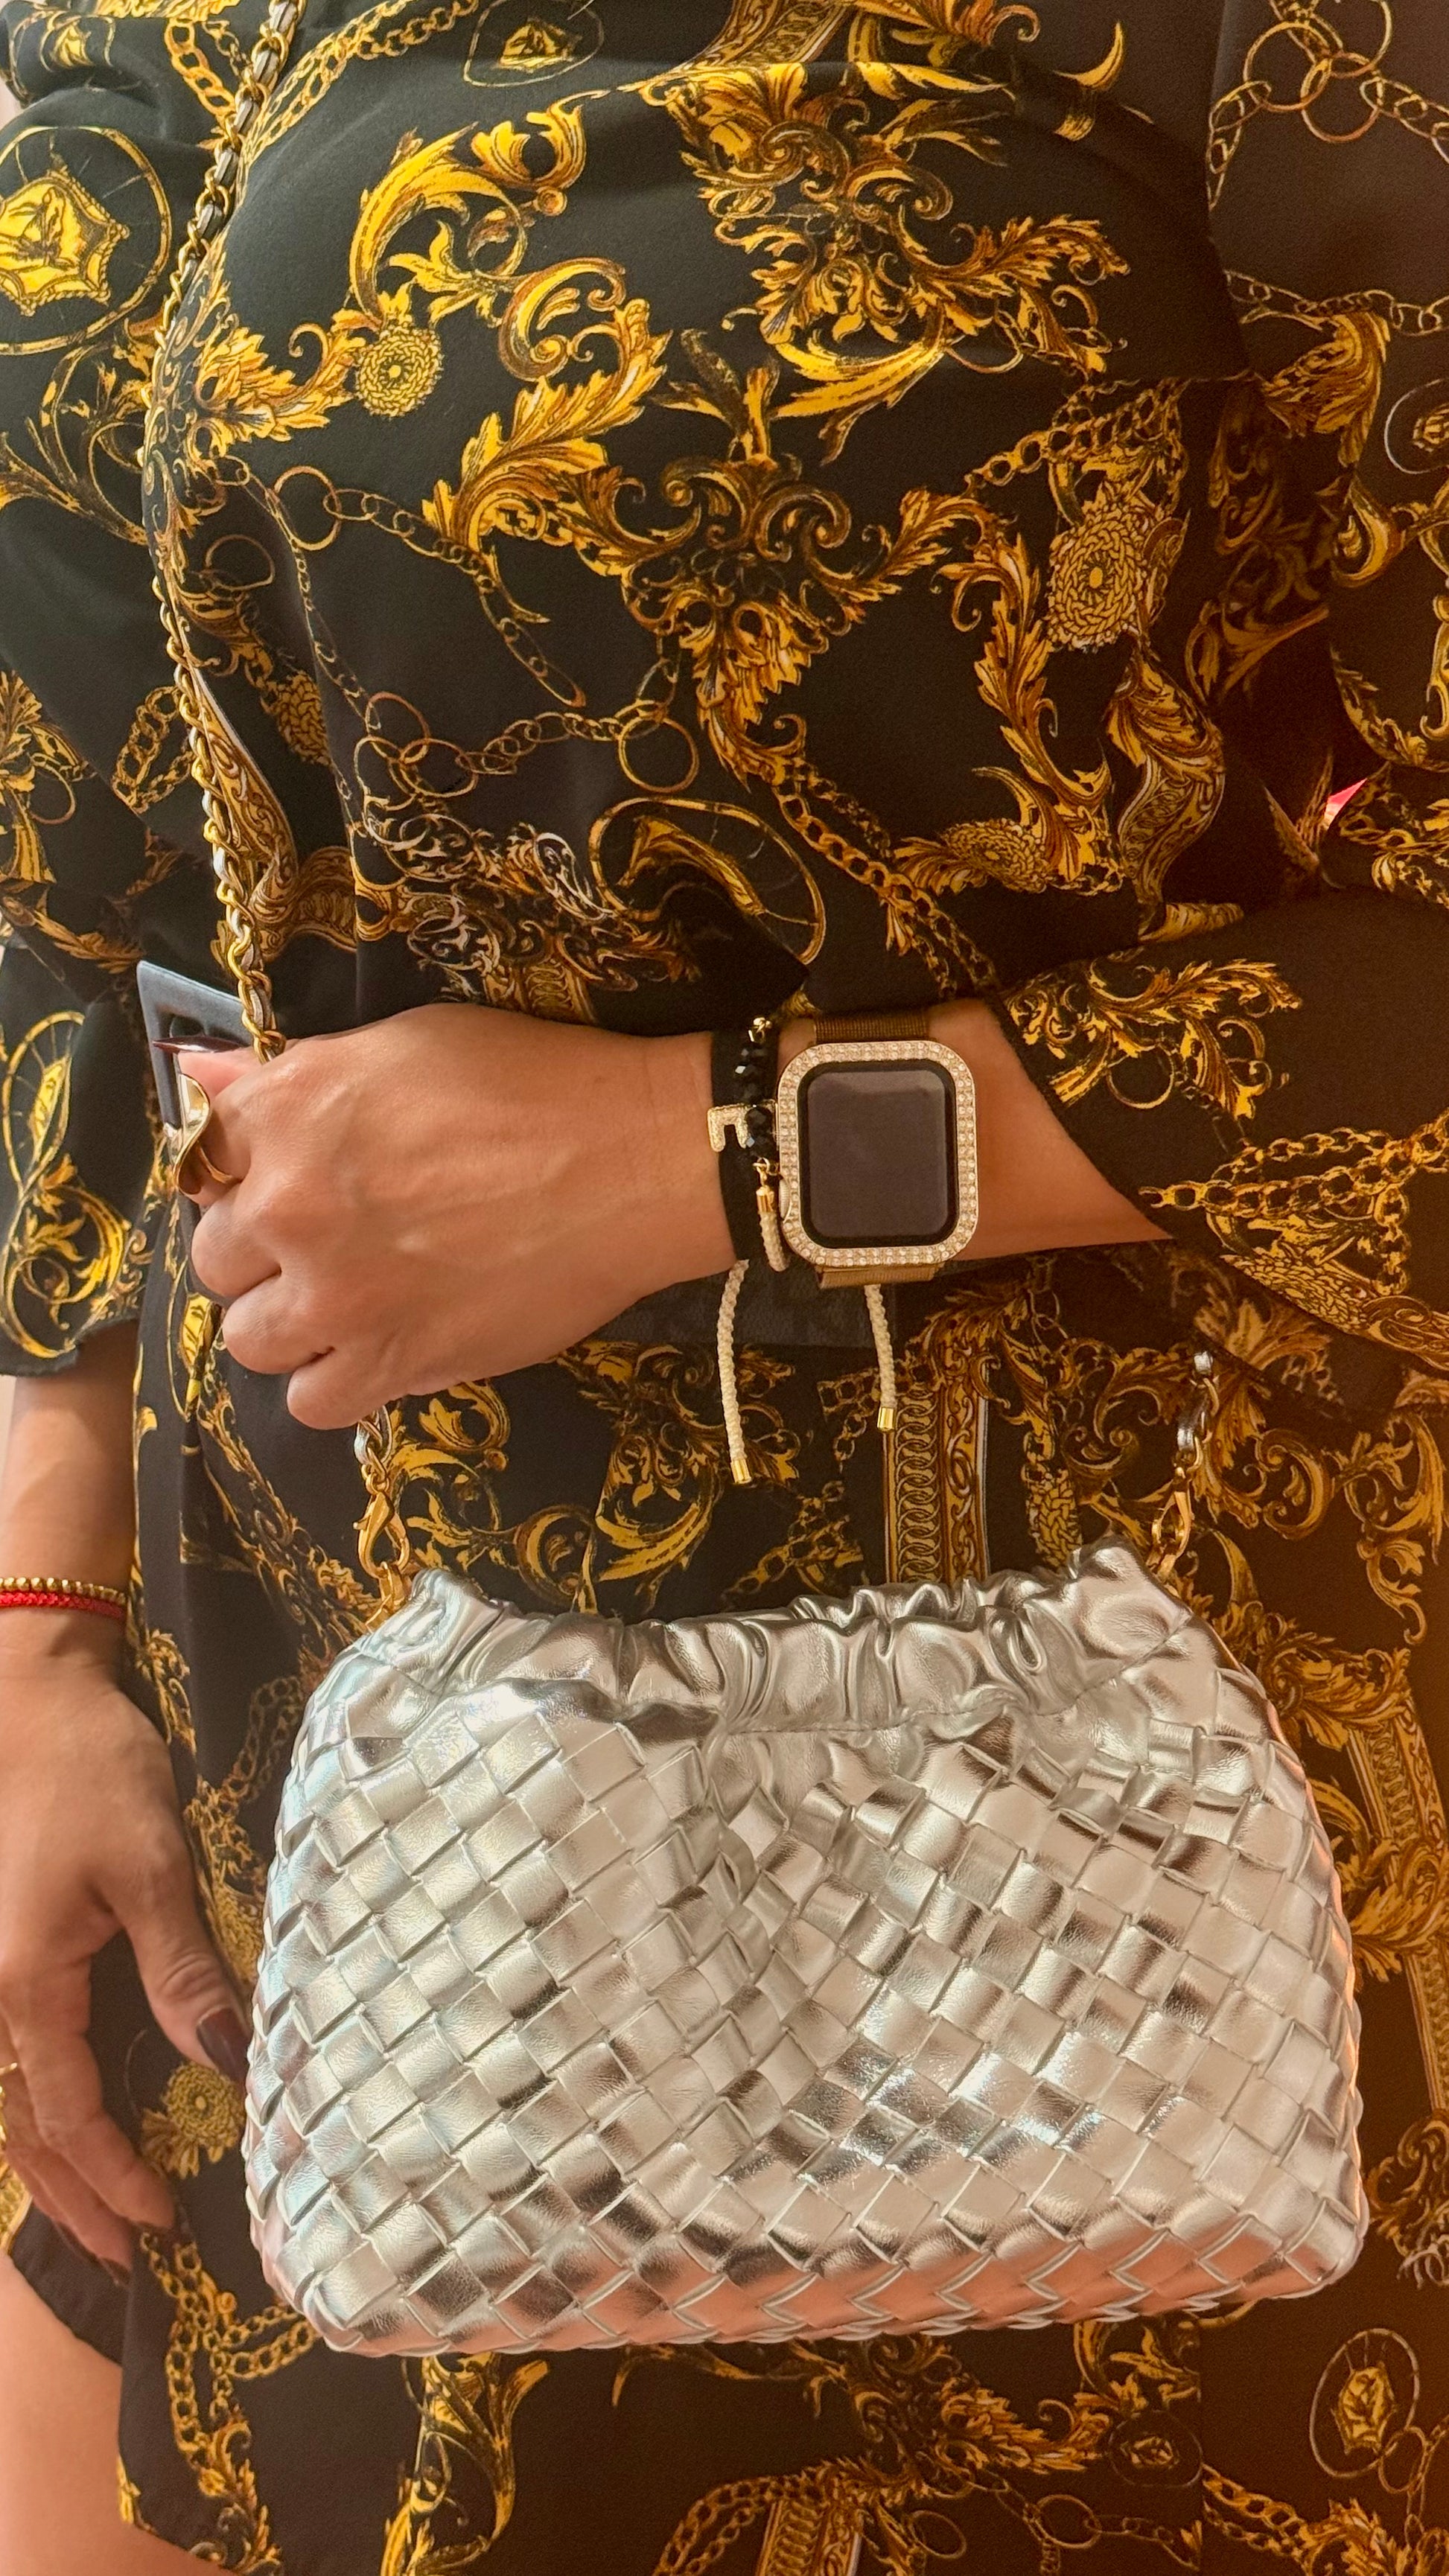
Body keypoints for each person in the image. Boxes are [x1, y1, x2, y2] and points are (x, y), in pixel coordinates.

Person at [1, 1, 1448, 2568]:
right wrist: (35, 1619)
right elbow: (75, 889)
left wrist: (711, 1157)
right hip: (337, 1780)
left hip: (1073, 1804)